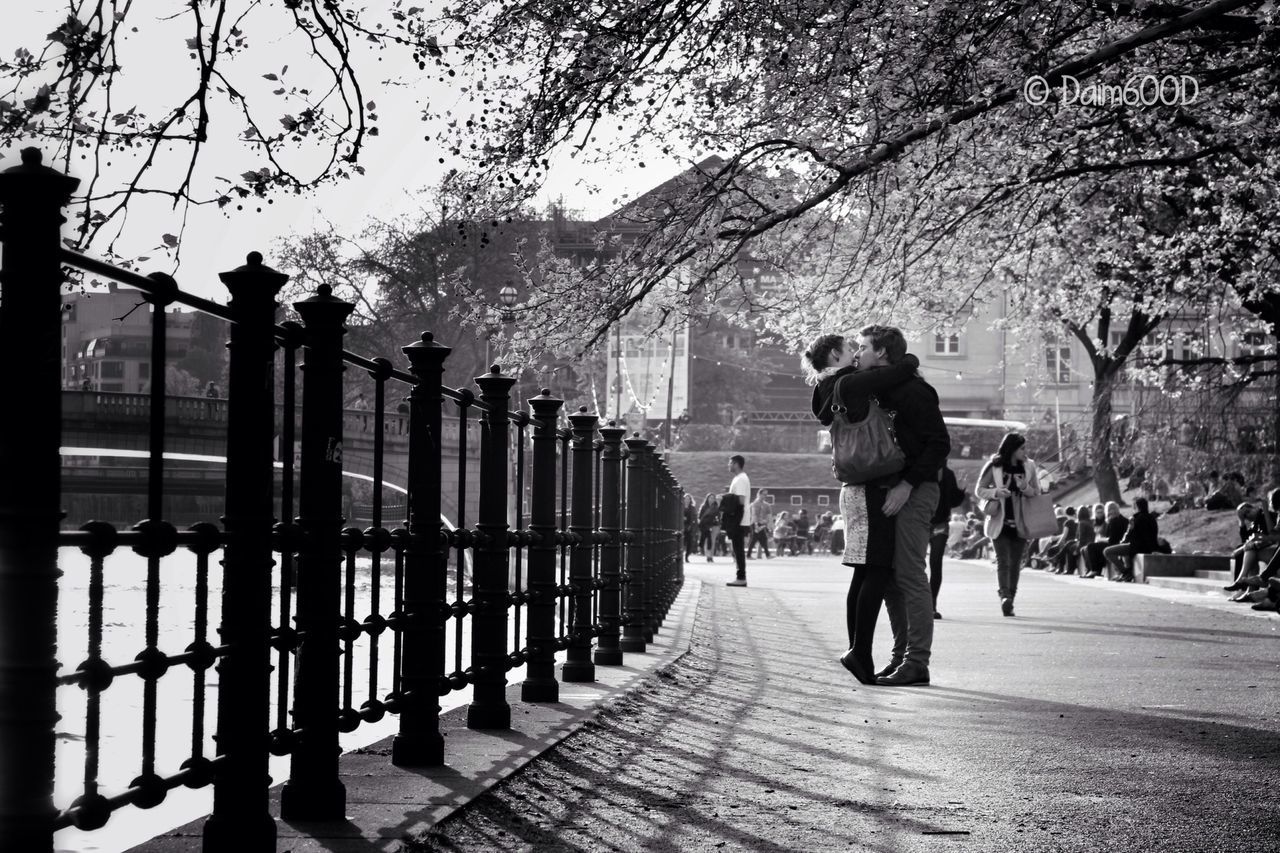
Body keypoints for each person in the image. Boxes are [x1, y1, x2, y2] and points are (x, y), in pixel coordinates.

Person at [806, 331, 928, 686]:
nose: (856, 353)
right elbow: (891, 375)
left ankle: (858, 651)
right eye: (850, 348)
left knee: (864, 570)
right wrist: (908, 361)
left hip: (855, 486)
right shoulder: (849, 382)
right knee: (874, 569)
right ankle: (859, 651)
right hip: (871, 486)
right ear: (833, 355)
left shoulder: (826, 388)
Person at [974, 432, 1044, 617]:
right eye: (1022, 448)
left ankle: (1010, 599)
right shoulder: (995, 465)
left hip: (1021, 522)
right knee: (1003, 562)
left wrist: (1024, 487)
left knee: (1015, 564)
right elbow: (979, 490)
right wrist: (997, 492)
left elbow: (1037, 492)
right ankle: (1005, 596)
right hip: (1000, 521)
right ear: (1012, 448)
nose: (1025, 451)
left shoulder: (1029, 466)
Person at [929, 465, 966, 619]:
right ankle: (917, 604)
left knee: (936, 563)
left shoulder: (948, 473)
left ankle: (932, 605)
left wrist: (961, 490)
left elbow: (953, 501)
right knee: (915, 564)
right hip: (919, 520)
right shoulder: (922, 466)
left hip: (940, 523)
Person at [1103, 497, 1159, 582]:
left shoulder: (1135, 519)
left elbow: (1129, 536)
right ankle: (1125, 573)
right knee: (1124, 550)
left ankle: (1125, 572)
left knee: (1107, 551)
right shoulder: (1152, 518)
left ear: (1136, 507)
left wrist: (1122, 542)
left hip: (1137, 547)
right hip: (1150, 547)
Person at [723, 455, 752, 586]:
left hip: (739, 518)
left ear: (736, 464)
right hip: (738, 517)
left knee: (738, 549)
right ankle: (740, 577)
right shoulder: (739, 478)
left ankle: (741, 578)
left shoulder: (741, 479)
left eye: (729, 463)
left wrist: (724, 499)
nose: (728, 466)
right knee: (737, 548)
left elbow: (740, 500)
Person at [748, 490, 772, 558]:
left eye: (766, 494)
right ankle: (749, 555)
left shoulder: (766, 505)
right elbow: (754, 514)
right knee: (755, 539)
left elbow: (769, 515)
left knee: (762, 539)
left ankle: (767, 555)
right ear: (759, 494)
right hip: (755, 523)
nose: (765, 496)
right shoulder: (754, 504)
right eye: (764, 494)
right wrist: (756, 524)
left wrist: (769, 524)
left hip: (762, 524)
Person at [1076, 503, 1098, 577]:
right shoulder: (1089, 521)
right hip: (1091, 541)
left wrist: (1077, 547)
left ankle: (1088, 569)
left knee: (1081, 549)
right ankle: (1088, 570)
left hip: (1086, 542)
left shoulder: (1081, 523)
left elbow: (1082, 537)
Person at [697, 493, 719, 562]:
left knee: (712, 541)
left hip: (714, 525)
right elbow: (700, 516)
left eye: (713, 498)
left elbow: (719, 516)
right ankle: (708, 556)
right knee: (707, 540)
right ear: (707, 498)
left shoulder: (716, 507)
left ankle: (711, 556)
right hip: (705, 526)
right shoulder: (703, 506)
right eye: (710, 497)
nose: (711, 499)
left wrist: (716, 520)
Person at [682, 493, 699, 562]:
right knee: (682, 542)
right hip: (681, 527)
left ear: (690, 500)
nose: (687, 500)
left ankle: (687, 556)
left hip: (690, 527)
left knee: (690, 543)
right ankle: (681, 556)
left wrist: (695, 528)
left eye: (688, 499)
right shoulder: (680, 506)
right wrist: (682, 518)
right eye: (686, 499)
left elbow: (695, 518)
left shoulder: (692, 508)